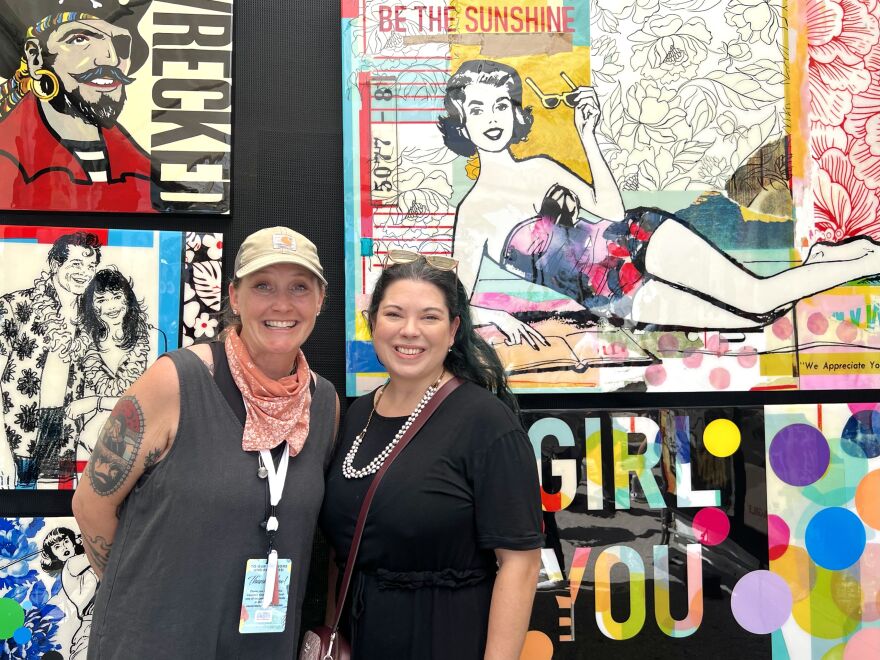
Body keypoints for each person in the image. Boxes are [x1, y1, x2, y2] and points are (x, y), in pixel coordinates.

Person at [439, 59, 880, 346]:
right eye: (477, 110)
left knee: (758, 295)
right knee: (754, 320)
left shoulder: (538, 166)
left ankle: (867, 261)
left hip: (636, 236)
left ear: (516, 113)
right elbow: (455, 300)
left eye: (501, 105)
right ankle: (823, 261)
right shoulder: (474, 213)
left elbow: (610, 211)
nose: (492, 118)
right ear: (461, 122)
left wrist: (588, 134)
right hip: (612, 297)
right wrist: (496, 315)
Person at [72, 226, 339, 659]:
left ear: (320, 300)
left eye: (299, 288)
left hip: (261, 644)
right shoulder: (175, 380)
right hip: (157, 643)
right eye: (263, 286)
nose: (282, 304)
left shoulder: (323, 404)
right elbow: (91, 504)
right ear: (234, 297)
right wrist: (142, 599)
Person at [320, 252, 543, 659]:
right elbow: (344, 552)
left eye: (429, 317)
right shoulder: (356, 415)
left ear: (454, 329)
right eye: (394, 314)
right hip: (363, 637)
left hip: (446, 638)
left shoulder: (485, 422)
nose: (410, 331)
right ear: (373, 324)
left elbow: (521, 565)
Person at [0, 2, 154, 212]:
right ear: (35, 57)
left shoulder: (143, 168)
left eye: (119, 42)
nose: (111, 59)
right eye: (80, 39)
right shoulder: (8, 158)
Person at [0, 231, 101, 487]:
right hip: (16, 435)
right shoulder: (14, 306)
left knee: (53, 513)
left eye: (90, 266)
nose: (84, 272)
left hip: (65, 437)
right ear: (56, 264)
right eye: (76, 263)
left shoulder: (92, 319)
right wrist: (1, 452)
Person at [66, 268, 157, 454]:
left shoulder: (153, 337)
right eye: (101, 300)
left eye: (116, 296)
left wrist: (95, 402)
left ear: (127, 298)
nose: (111, 306)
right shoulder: (84, 345)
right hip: (87, 445)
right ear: (92, 306)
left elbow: (151, 401)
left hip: (139, 443)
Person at [40, 527, 99, 660]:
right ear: (54, 555)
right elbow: (100, 554)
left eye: (66, 541)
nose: (63, 547)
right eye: (57, 546)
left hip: (95, 618)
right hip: (90, 620)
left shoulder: (84, 565)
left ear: (73, 542)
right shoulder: (71, 563)